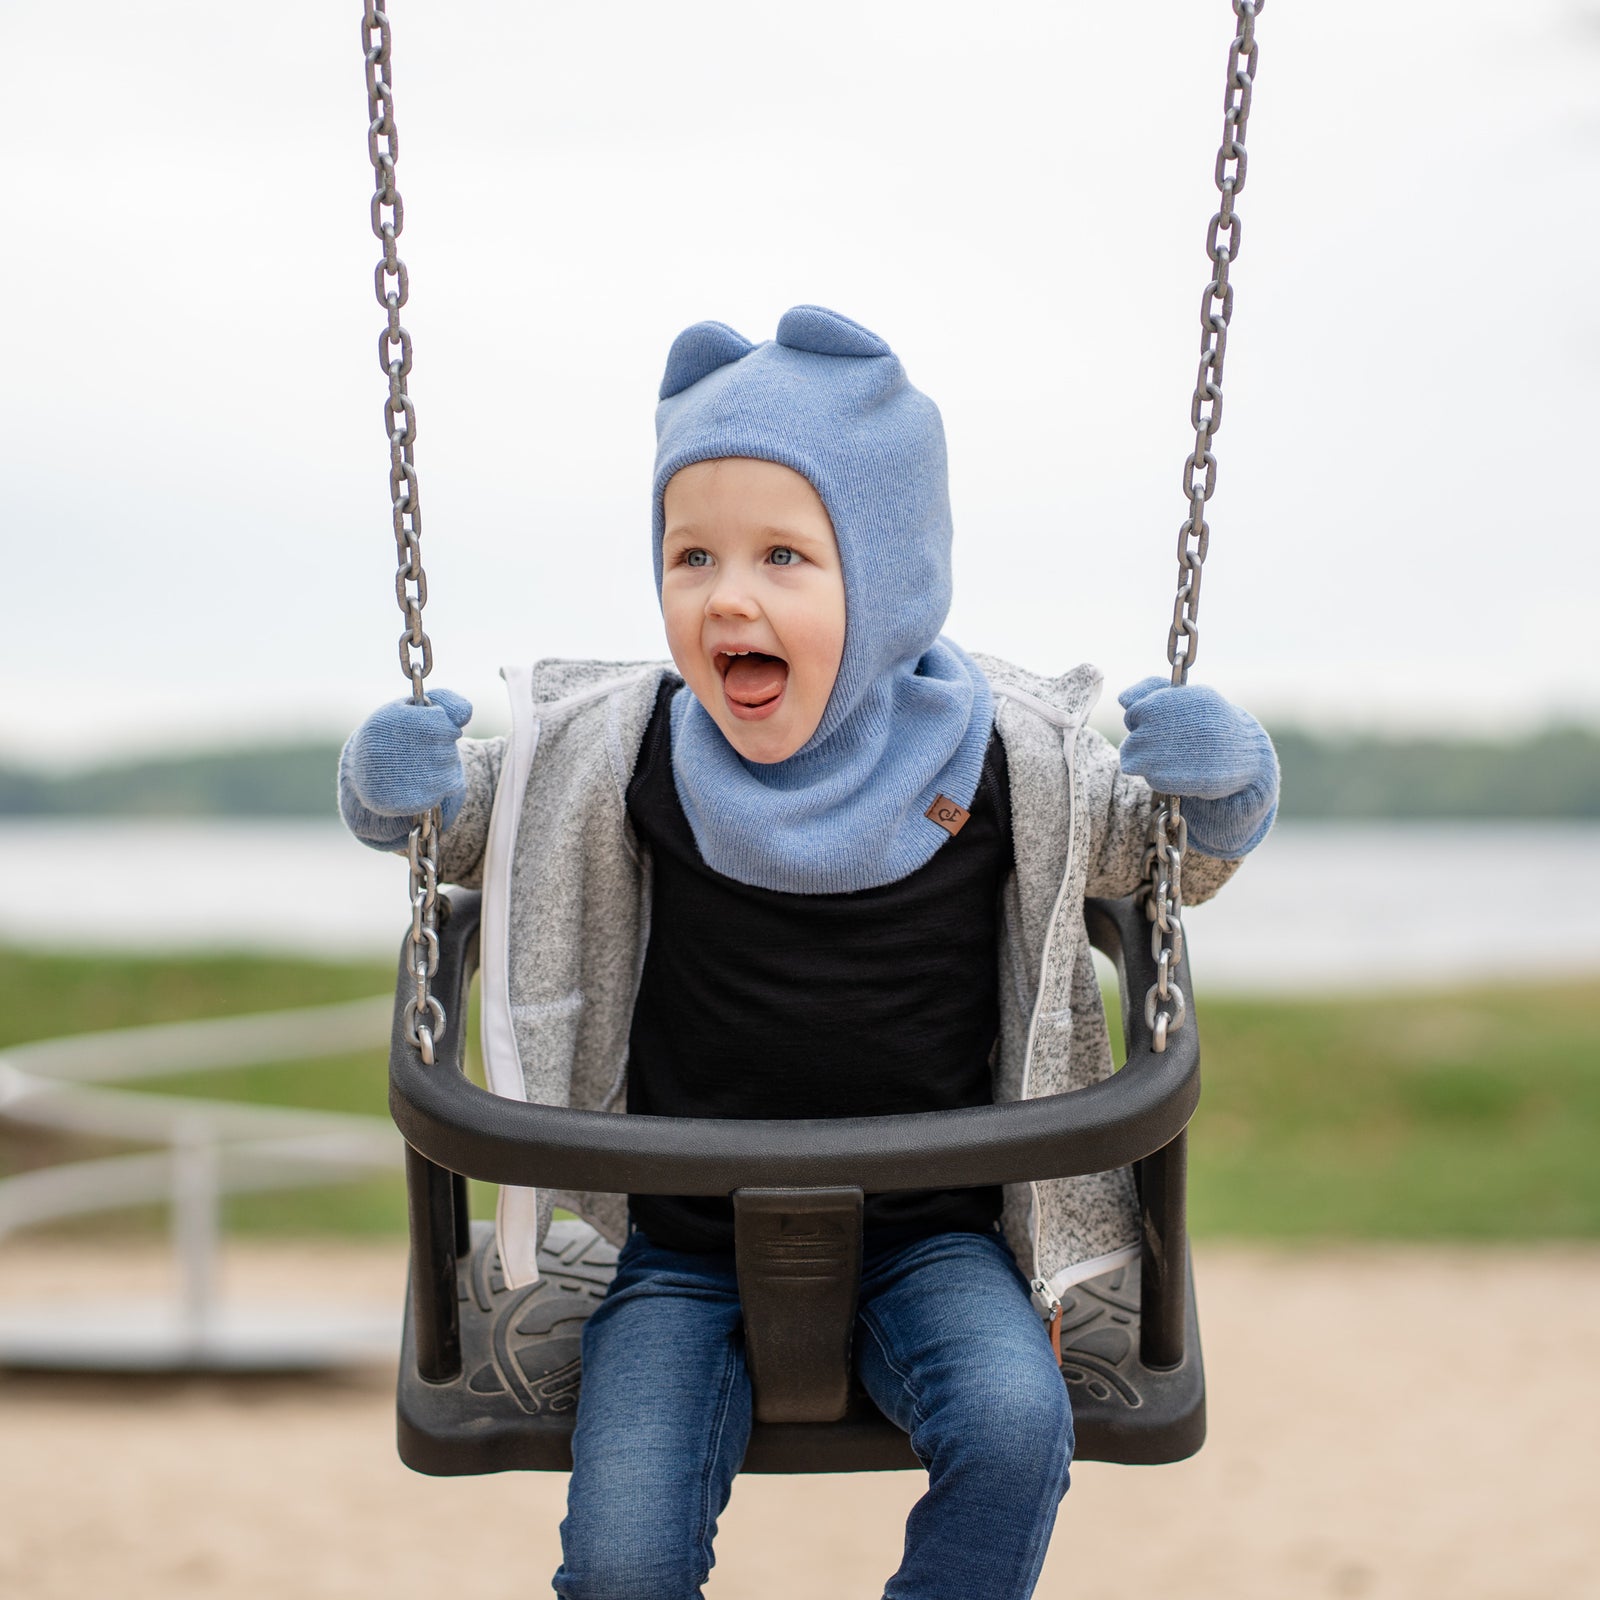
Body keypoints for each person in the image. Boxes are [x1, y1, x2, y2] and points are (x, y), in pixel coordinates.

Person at [338, 305, 1279, 1600]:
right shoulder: (627, 753)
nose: (729, 595)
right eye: (692, 557)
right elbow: (468, 827)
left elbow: (1158, 860)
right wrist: (404, 790)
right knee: (619, 1559)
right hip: (673, 1240)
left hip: (942, 1231)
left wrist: (1217, 798)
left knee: (1017, 1428)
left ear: (885, 581)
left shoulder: (1006, 759)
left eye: (785, 555)